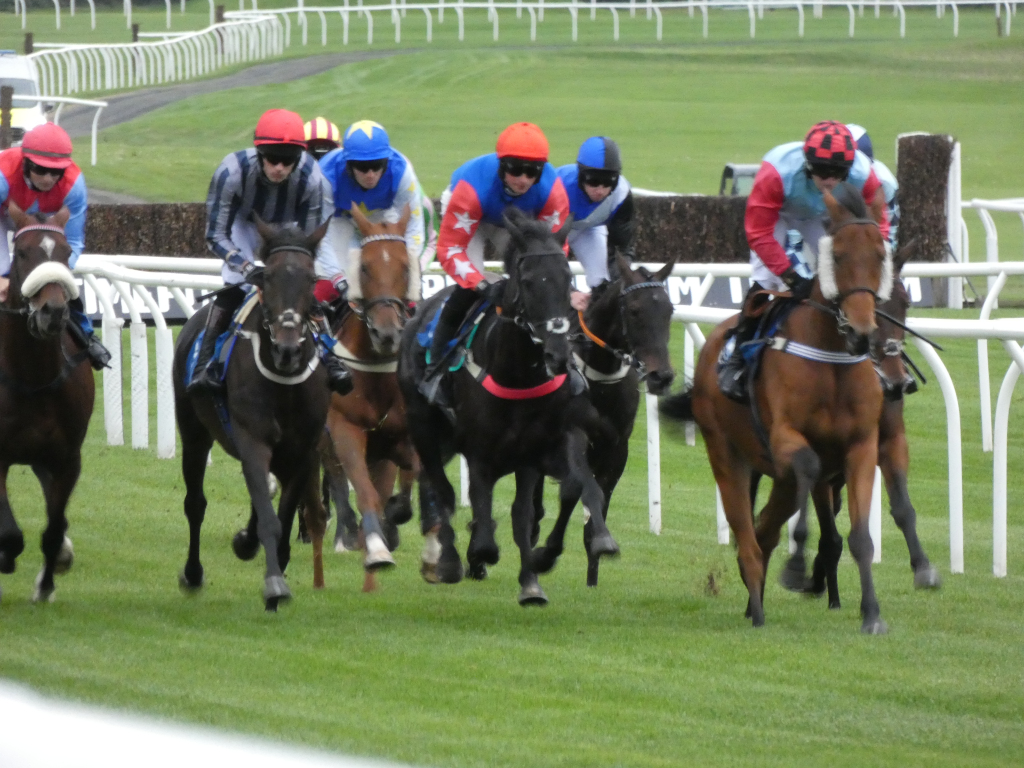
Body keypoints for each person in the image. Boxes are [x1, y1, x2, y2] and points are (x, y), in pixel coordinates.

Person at [717, 120, 891, 403]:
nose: (830, 179)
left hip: (824, 213)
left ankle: (871, 347)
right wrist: (790, 276)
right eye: (822, 171)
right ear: (807, 164)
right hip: (780, 213)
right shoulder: (777, 171)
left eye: (838, 173)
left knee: (850, 274)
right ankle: (736, 356)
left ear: (849, 169)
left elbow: (878, 226)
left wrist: (875, 255)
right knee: (766, 278)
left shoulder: (863, 173)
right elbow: (759, 233)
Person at [190, 108, 352, 395]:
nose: (279, 167)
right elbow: (215, 234)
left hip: (289, 230)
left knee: (302, 287)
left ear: (298, 157)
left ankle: (331, 358)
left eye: (288, 161)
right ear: (259, 152)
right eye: (272, 159)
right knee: (235, 288)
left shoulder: (312, 178)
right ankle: (205, 363)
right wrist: (245, 266)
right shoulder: (231, 172)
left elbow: (311, 241)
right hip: (243, 224)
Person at [418, 121, 572, 407]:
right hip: (472, 213)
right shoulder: (470, 189)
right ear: (502, 166)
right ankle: (434, 366)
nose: (523, 179)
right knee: (470, 289)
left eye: (531, 172)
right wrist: (482, 284)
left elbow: (554, 251)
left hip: (515, 221)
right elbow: (450, 250)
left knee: (538, 283)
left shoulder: (553, 191)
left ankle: (565, 360)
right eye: (515, 169)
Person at [0, 122, 110, 370]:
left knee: (62, 288)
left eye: (56, 172)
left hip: (47, 227)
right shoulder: (3, 175)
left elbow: (72, 241)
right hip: (3, 215)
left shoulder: (74, 185)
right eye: (41, 169)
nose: (49, 178)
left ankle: (86, 335)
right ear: (26, 162)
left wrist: (56, 273)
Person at [316, 120, 425, 306]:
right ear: (348, 164)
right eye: (362, 167)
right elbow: (320, 234)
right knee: (330, 282)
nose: (371, 174)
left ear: (387, 161)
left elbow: (414, 227)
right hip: (340, 219)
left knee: (397, 280)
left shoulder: (402, 172)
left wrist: (407, 271)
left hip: (384, 215)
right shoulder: (325, 174)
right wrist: (338, 280)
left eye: (377, 165)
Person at [557, 136, 636, 310]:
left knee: (603, 282)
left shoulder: (622, 194)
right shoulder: (557, 187)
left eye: (608, 182)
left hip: (590, 229)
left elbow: (622, 249)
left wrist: (618, 284)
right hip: (553, 233)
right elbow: (544, 253)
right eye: (593, 181)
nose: (600, 190)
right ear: (581, 175)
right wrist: (569, 291)